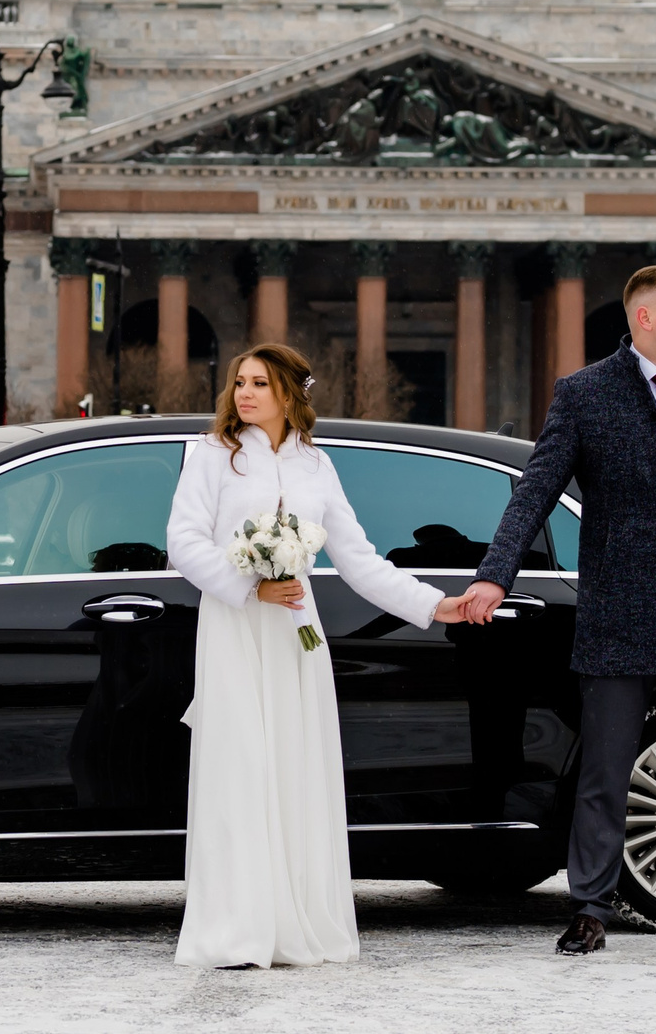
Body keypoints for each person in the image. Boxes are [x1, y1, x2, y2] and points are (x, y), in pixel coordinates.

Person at [459, 264, 656, 959]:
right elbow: (535, 491)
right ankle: (589, 909)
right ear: (646, 317)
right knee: (605, 773)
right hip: (618, 613)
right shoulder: (584, 394)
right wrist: (495, 575)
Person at [164, 342, 469, 969]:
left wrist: (432, 604)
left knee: (296, 773)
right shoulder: (211, 455)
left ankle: (297, 924)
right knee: (240, 771)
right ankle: (236, 931)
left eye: (259, 384)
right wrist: (251, 584)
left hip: (298, 635)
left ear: (288, 394)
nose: (244, 394)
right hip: (237, 628)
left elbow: (357, 558)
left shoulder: (316, 465)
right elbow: (183, 542)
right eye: (239, 383)